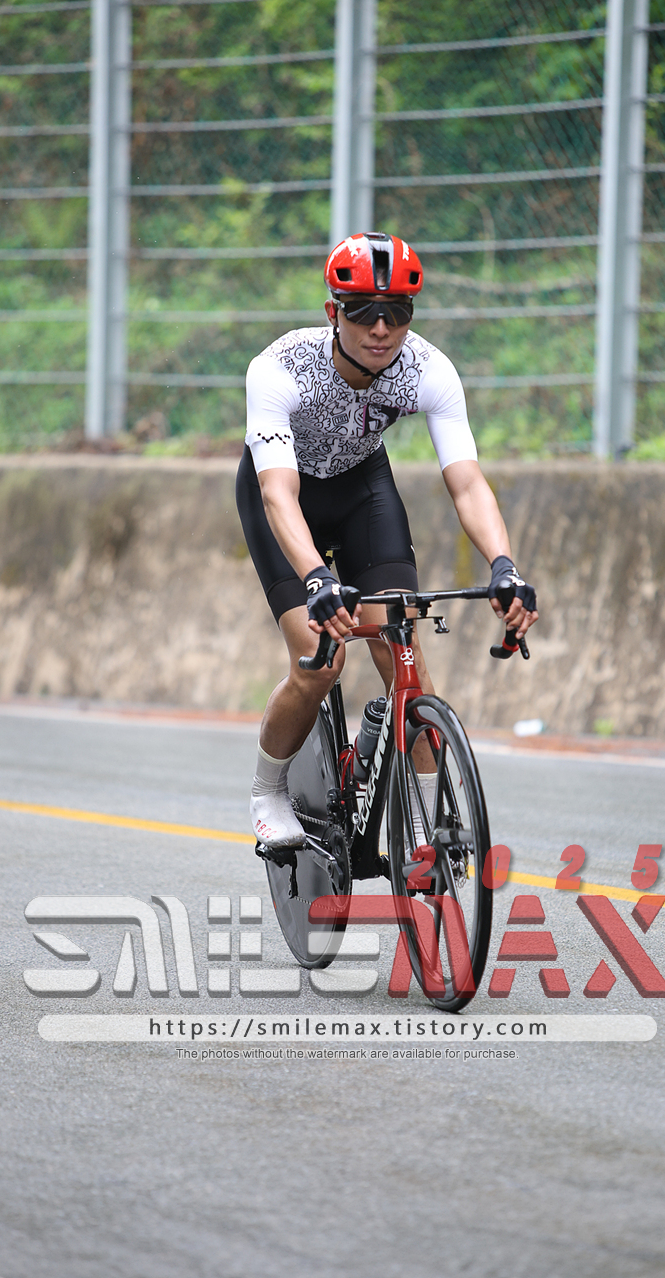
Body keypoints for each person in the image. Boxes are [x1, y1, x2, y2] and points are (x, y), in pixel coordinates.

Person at [236, 231, 539, 849]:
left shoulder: (428, 369)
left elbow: (467, 483)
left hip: (361, 491)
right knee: (321, 661)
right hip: (285, 496)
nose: (381, 328)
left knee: (402, 652)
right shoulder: (280, 368)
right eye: (363, 312)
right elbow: (278, 494)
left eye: (397, 312)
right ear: (333, 312)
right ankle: (268, 790)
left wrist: (504, 564)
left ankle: (429, 826)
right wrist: (316, 578)